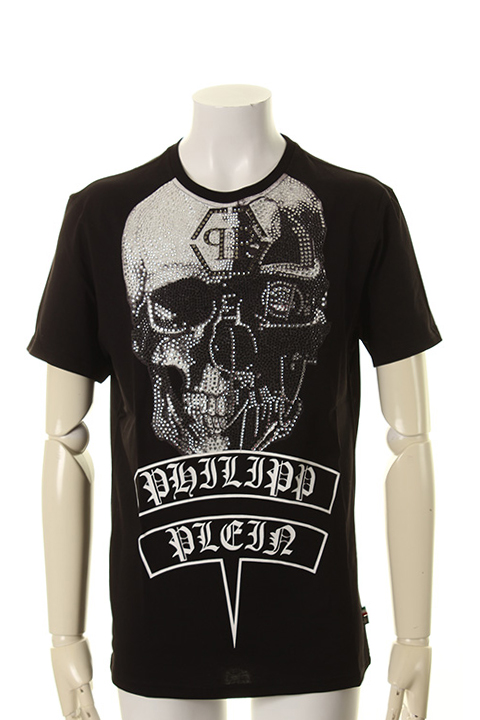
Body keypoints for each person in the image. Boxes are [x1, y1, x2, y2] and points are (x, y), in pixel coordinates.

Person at [28, 83, 441, 720]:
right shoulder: (101, 215)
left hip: (313, 630)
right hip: (157, 631)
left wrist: (414, 638)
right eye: (178, 308)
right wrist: (65, 638)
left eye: (278, 304)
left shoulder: (360, 208)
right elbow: (63, 438)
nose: (227, 352)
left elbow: (410, 440)